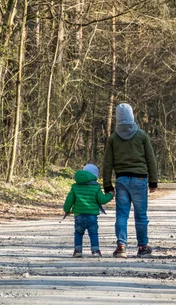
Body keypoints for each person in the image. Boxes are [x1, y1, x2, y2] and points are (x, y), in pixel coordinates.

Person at [103, 103, 158, 258]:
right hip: (140, 179)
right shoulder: (141, 135)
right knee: (141, 215)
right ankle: (142, 247)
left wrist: (107, 184)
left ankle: (121, 246)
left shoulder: (113, 138)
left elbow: (108, 163)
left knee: (122, 214)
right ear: (132, 117)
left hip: (121, 180)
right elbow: (150, 159)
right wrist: (153, 181)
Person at [63, 164, 114, 258]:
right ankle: (95, 251)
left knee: (78, 233)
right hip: (92, 216)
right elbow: (102, 200)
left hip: (78, 215)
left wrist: (66, 210)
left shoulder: (75, 187)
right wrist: (110, 195)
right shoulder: (96, 187)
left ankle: (78, 251)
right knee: (93, 233)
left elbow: (69, 199)